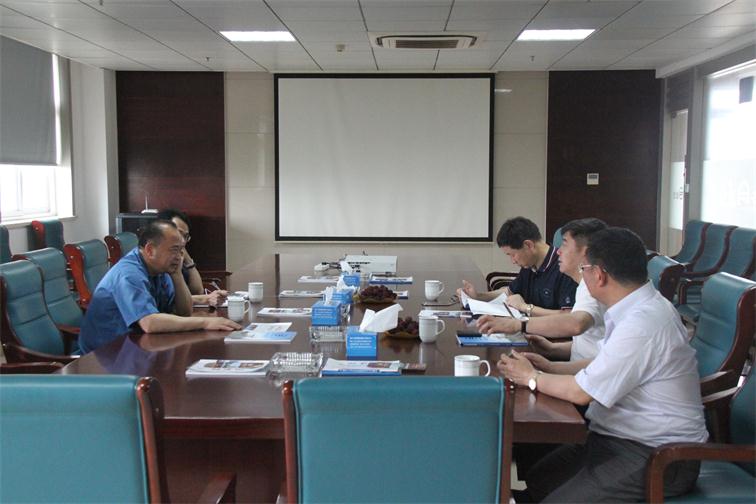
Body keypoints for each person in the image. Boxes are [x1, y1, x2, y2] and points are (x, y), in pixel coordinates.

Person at [498, 227, 707, 502]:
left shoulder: (643, 322)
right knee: (539, 480)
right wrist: (549, 367)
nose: (581, 277)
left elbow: (581, 392)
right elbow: (602, 363)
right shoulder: (633, 307)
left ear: (598, 275)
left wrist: (531, 377)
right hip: (615, 437)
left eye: (584, 269)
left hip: (659, 455)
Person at [79, 220, 240, 354]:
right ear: (150, 250)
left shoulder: (158, 268)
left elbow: (183, 311)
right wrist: (205, 323)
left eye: (181, 251)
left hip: (135, 345)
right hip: (104, 356)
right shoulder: (128, 274)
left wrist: (177, 275)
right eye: (174, 250)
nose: (179, 257)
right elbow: (149, 323)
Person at [477, 218, 608, 372]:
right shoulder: (584, 285)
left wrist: (519, 324)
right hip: (578, 369)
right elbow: (589, 346)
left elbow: (576, 324)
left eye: (564, 244)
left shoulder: (592, 287)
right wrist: (552, 349)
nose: (558, 251)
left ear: (585, 252)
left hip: (586, 376)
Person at [459, 216, 577, 316]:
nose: (513, 261)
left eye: (513, 255)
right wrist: (478, 296)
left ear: (528, 245)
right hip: (530, 327)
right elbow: (509, 292)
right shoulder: (529, 264)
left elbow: (569, 316)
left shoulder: (565, 267)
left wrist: (525, 308)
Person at [157, 208, 204, 295]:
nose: (182, 241)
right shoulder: (154, 261)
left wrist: (188, 260)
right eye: (178, 233)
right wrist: (202, 299)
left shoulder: (178, 259)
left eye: (185, 236)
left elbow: (197, 291)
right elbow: (169, 299)